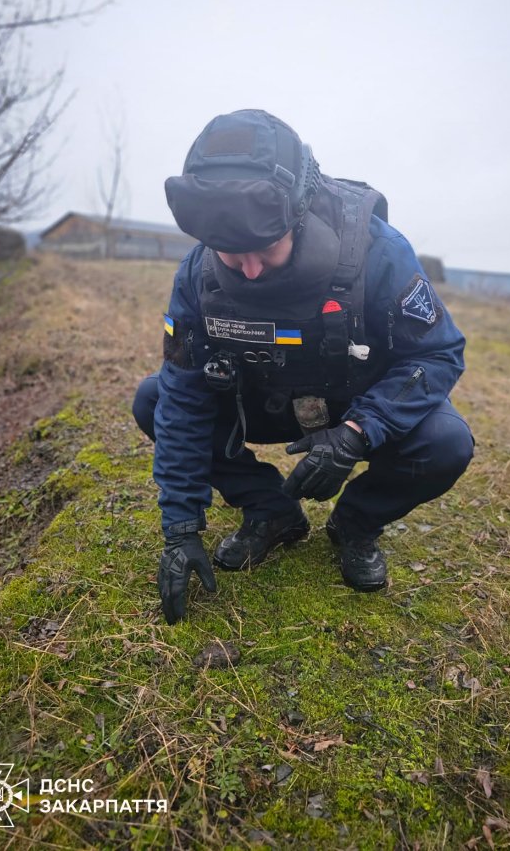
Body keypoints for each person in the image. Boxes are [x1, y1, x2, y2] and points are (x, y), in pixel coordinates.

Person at [133, 109, 474, 623]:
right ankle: (271, 510)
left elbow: (437, 352)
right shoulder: (197, 274)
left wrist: (359, 431)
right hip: (260, 403)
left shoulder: (379, 253)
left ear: (299, 213)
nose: (247, 270)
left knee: (446, 442)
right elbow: (182, 398)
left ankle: (356, 524)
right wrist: (180, 529)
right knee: (152, 399)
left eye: (264, 250)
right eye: (229, 253)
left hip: (353, 403)